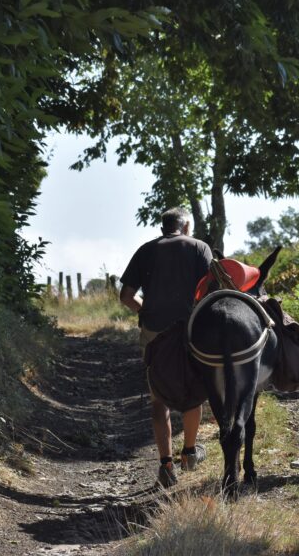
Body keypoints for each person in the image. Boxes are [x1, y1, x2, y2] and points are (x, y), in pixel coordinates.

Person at [119, 207, 213, 487]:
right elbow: (212, 290)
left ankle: (165, 465)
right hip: (190, 332)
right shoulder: (199, 248)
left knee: (158, 398)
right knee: (193, 390)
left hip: (154, 333)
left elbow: (126, 296)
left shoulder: (146, 250)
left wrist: (146, 311)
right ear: (185, 227)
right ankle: (189, 452)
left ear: (164, 228)